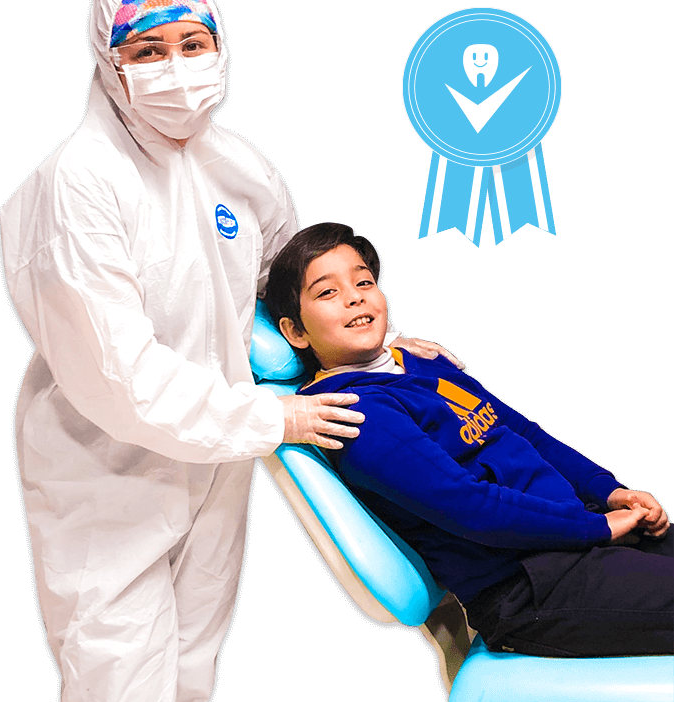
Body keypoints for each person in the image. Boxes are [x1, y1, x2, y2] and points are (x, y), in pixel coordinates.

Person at [0, 0, 461, 702]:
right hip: (107, 470)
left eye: (193, 42)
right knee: (119, 688)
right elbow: (120, 377)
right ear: (109, 63)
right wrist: (273, 417)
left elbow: (293, 298)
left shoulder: (238, 167)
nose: (176, 66)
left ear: (219, 42)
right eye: (147, 50)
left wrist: (388, 350)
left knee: (187, 676)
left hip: (219, 459)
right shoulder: (79, 183)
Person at [264, 222, 673, 658]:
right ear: (296, 332)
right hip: (525, 587)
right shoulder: (356, 412)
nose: (354, 297)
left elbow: (524, 432)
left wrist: (608, 492)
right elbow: (470, 506)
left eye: (364, 282)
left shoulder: (420, 362)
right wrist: (597, 528)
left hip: (572, 534)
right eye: (328, 292)